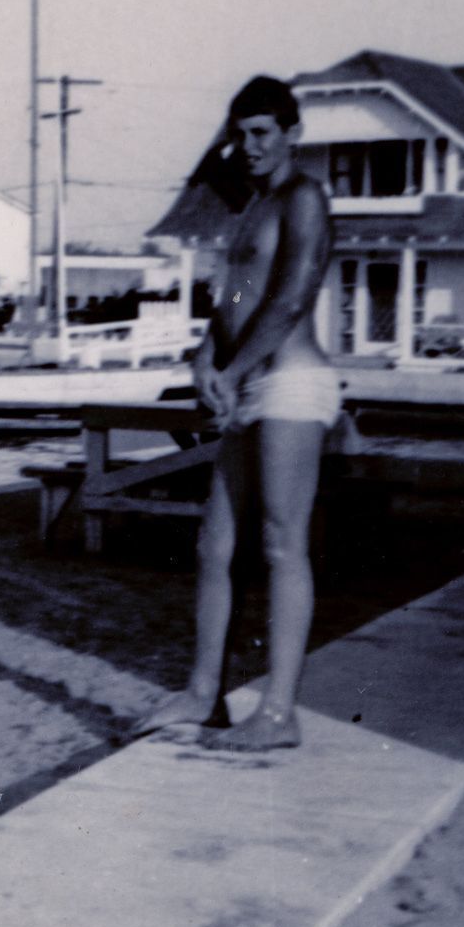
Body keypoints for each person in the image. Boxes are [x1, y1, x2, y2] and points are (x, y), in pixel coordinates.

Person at [136, 75, 337, 752]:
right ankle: (203, 694)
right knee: (213, 546)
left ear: (292, 134)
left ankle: (279, 715)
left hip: (291, 385)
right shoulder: (253, 208)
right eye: (239, 135)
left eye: (261, 133)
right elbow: (237, 300)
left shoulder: (304, 197)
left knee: (281, 544)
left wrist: (232, 369)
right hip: (247, 382)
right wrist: (204, 357)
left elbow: (292, 297)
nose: (248, 146)